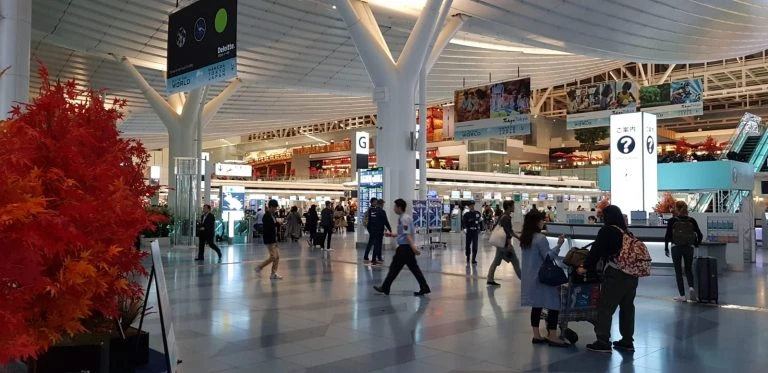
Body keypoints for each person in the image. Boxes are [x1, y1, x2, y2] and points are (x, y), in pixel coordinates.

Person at [578, 205, 638, 353]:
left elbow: (595, 252)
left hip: (615, 275)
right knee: (627, 308)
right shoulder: (627, 232)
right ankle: (627, 341)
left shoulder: (607, 231)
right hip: (632, 275)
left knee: (604, 308)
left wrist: (585, 267)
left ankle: (603, 341)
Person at [519, 210, 568, 347]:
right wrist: (559, 245)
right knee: (554, 304)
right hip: (542, 278)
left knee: (537, 306)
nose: (543, 222)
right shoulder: (540, 238)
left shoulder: (526, 238)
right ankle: (552, 335)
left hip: (530, 277)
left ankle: (536, 335)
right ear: (536, 222)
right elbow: (548, 257)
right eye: (541, 220)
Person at [373, 199, 431, 296]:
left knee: (394, 269)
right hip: (406, 248)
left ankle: (385, 287)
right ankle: (424, 287)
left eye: (395, 207)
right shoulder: (404, 217)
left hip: (405, 249)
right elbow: (402, 233)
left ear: (399, 207)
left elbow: (407, 234)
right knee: (413, 269)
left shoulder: (404, 219)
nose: (394, 209)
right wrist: (391, 234)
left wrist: (413, 248)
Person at [664, 201, 703, 302]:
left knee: (678, 271)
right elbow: (700, 234)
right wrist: (696, 244)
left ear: (676, 209)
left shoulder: (672, 221)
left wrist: (666, 248)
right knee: (688, 269)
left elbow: (667, 235)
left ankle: (682, 295)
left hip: (676, 247)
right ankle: (691, 288)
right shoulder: (692, 220)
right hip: (689, 247)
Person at [487, 200, 521, 286]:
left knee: (495, 261)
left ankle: (490, 279)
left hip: (500, 244)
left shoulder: (503, 216)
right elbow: (507, 232)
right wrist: (509, 244)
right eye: (513, 206)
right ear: (509, 207)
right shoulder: (506, 218)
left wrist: (518, 238)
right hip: (505, 245)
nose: (514, 207)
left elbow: (510, 231)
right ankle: (524, 280)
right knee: (515, 262)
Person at [255, 199, 282, 280]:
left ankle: (273, 274)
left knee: (277, 257)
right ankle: (259, 267)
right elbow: (267, 229)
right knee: (273, 256)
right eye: (274, 207)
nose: (275, 209)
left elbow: (273, 225)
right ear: (270, 207)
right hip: (269, 239)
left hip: (273, 239)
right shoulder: (266, 216)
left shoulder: (272, 215)